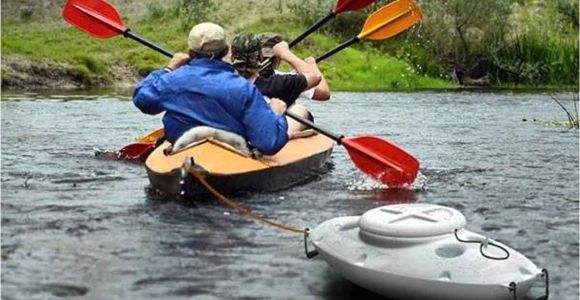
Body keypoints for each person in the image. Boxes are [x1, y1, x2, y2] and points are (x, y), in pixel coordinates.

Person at [132, 23, 289, 155]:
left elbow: (142, 99)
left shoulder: (171, 80)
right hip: (232, 153)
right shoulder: (244, 88)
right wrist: (275, 114)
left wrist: (169, 68)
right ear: (226, 51)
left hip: (181, 148)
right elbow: (269, 143)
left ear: (191, 53)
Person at [230, 32, 328, 136]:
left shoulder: (220, 79)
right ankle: (286, 136)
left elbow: (323, 92)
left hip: (235, 132)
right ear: (261, 57)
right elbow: (316, 78)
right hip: (265, 135)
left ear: (232, 57)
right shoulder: (282, 82)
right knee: (300, 110)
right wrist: (287, 54)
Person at [258, 32, 330, 101]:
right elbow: (323, 92)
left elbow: (323, 93)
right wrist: (313, 67)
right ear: (279, 59)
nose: (264, 60)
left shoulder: (248, 77)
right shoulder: (286, 81)